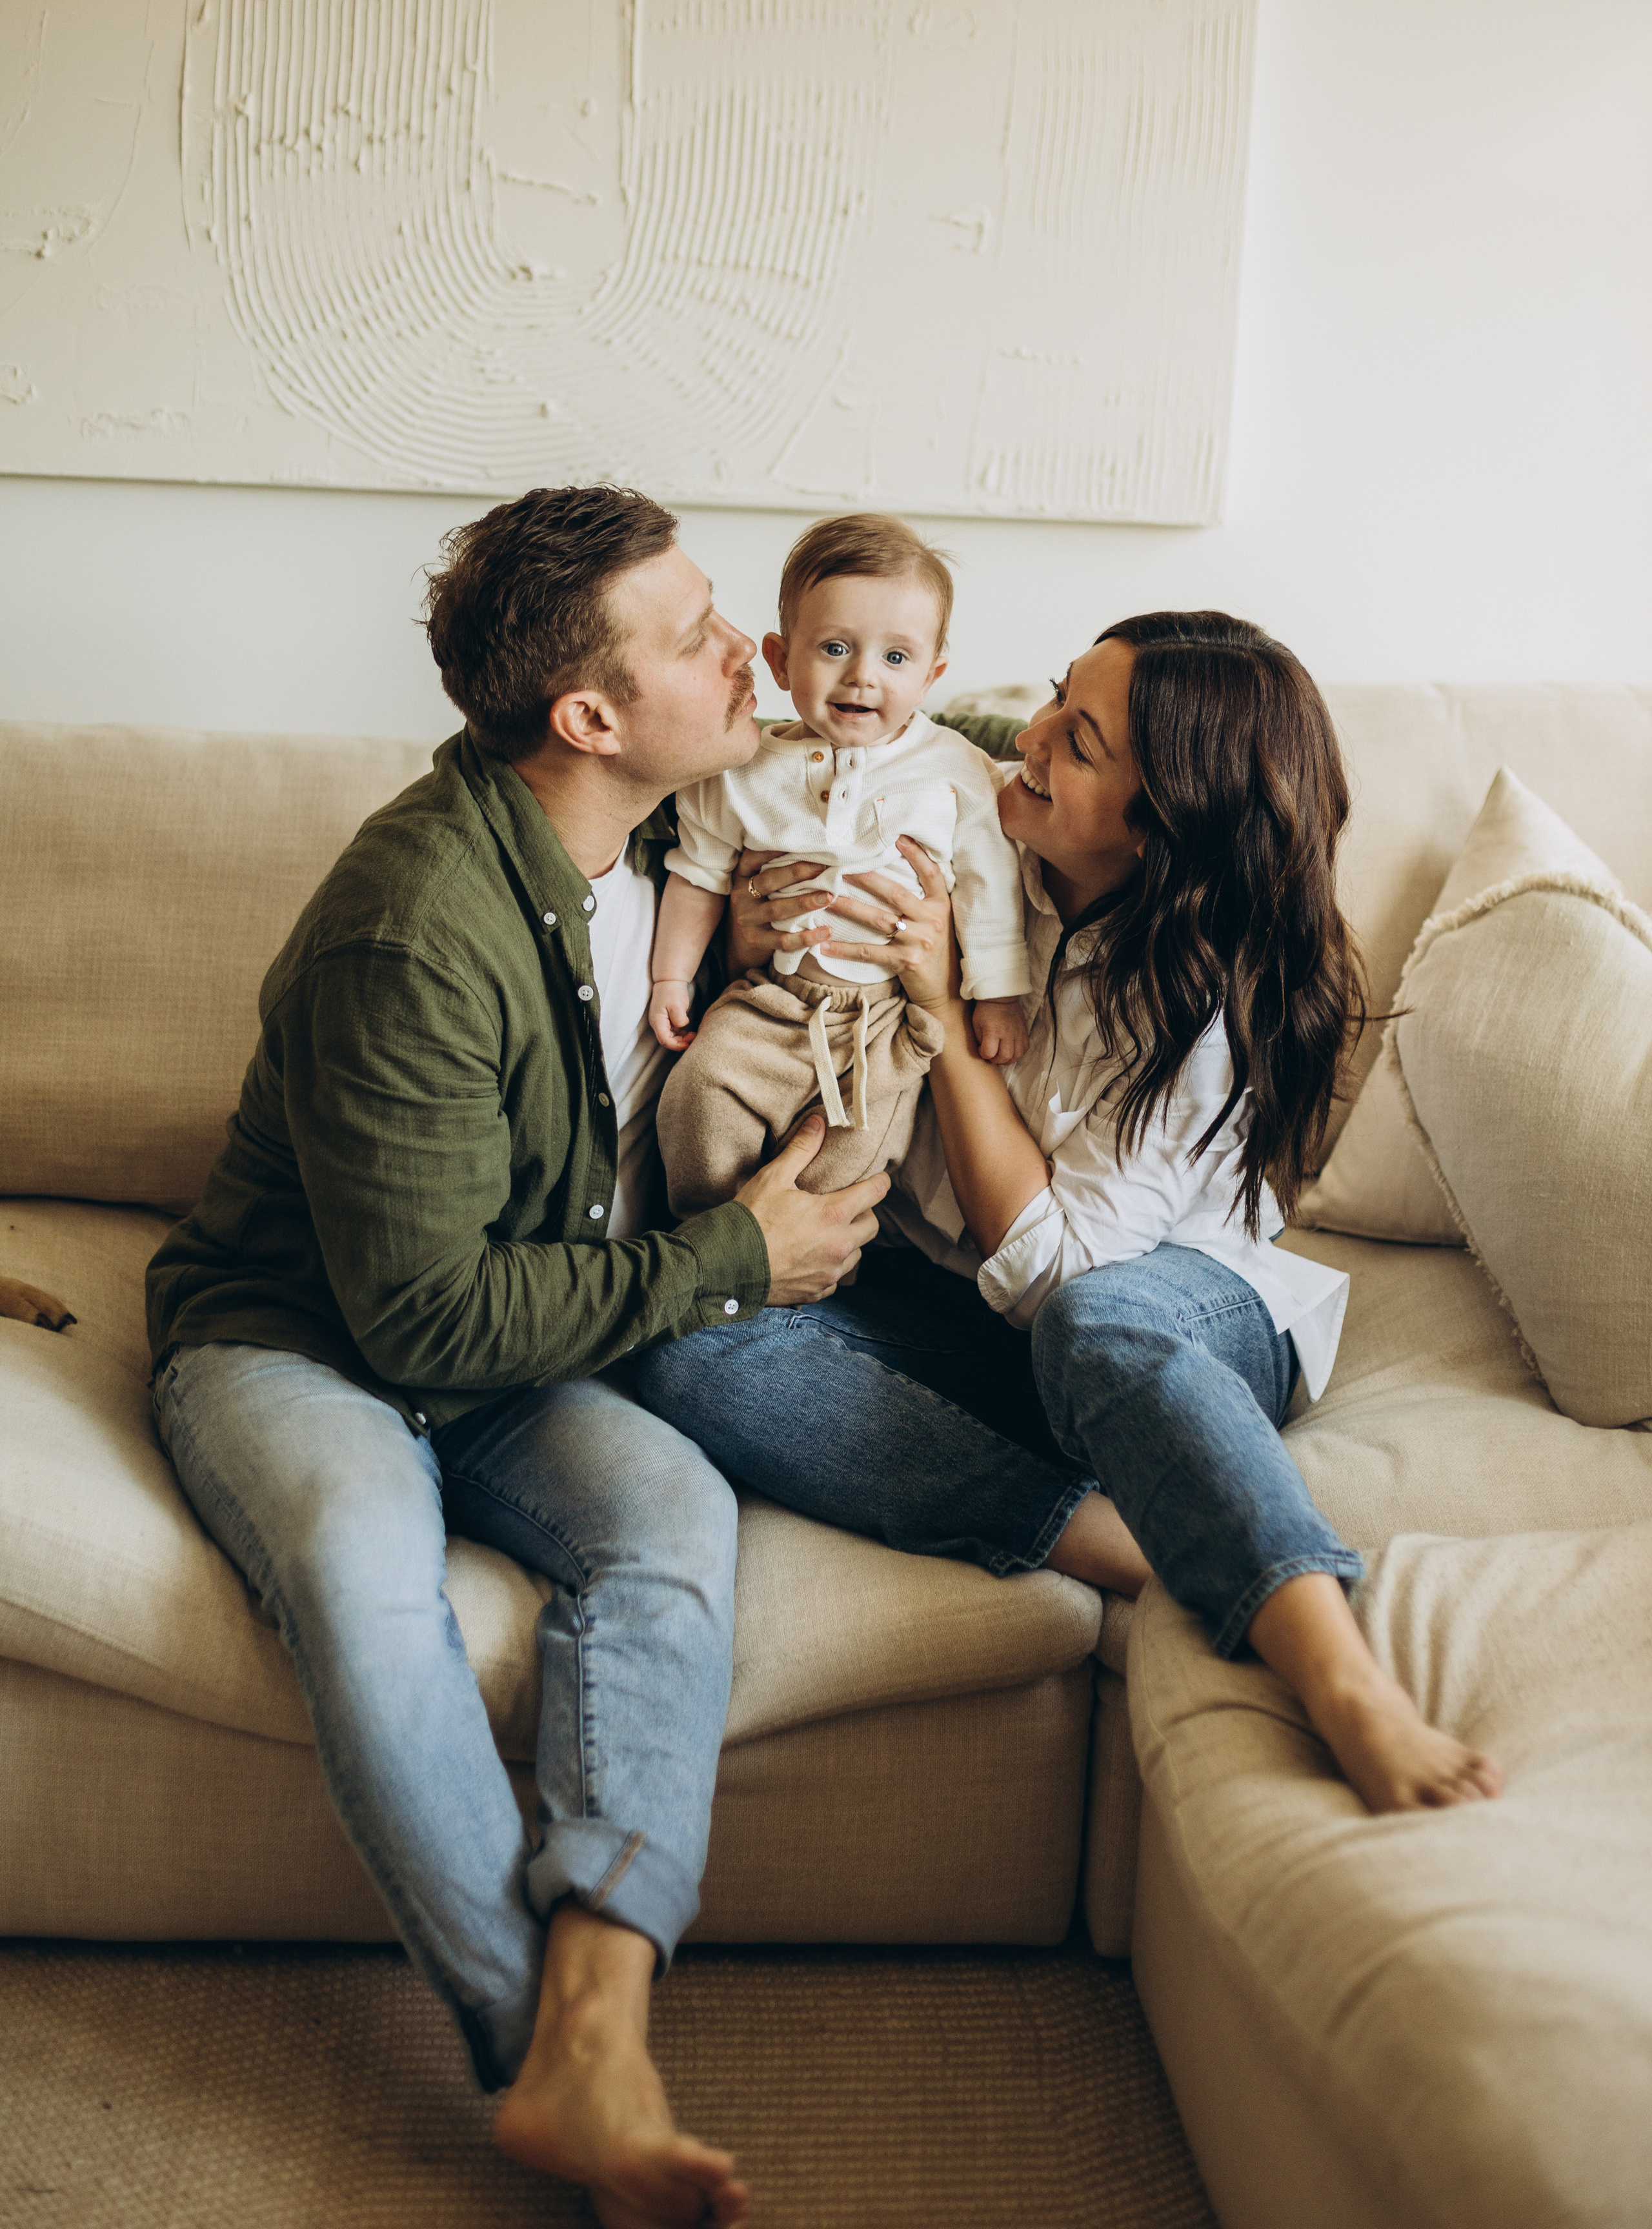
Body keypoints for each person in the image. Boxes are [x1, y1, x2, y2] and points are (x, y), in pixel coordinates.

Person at [144, 485, 894, 2229]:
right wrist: (733, 1261)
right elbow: (418, 1322)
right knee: (356, 1562)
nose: (754, 651)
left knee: (671, 1516)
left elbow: (921, 740)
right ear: (590, 717)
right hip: (299, 1338)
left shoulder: (633, 838)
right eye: (704, 635)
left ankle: (599, 2011)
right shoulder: (415, 924)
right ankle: (544, 2053)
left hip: (509, 1327)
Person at [630, 612, 1505, 1815]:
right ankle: (1118, 1536)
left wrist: (940, 1010)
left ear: (1164, 827)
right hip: (961, 1313)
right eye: (1052, 700)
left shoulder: (1205, 1001)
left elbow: (1058, 1275)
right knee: (688, 1341)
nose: (1027, 742)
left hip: (1171, 1317)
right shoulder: (967, 814)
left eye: (1078, 741)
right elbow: (802, 800)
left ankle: (1337, 1666)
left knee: (1099, 1321)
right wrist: (747, 928)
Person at [649, 513, 1030, 1213]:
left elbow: (988, 883)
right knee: (699, 1096)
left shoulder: (954, 769)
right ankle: (705, 1239)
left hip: (882, 1019)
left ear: (932, 674)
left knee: (853, 1156)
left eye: (895, 658)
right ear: (780, 658)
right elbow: (697, 872)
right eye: (833, 647)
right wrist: (672, 974)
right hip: (767, 1002)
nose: (862, 676)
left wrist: (998, 994)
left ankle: (822, 1267)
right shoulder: (739, 767)